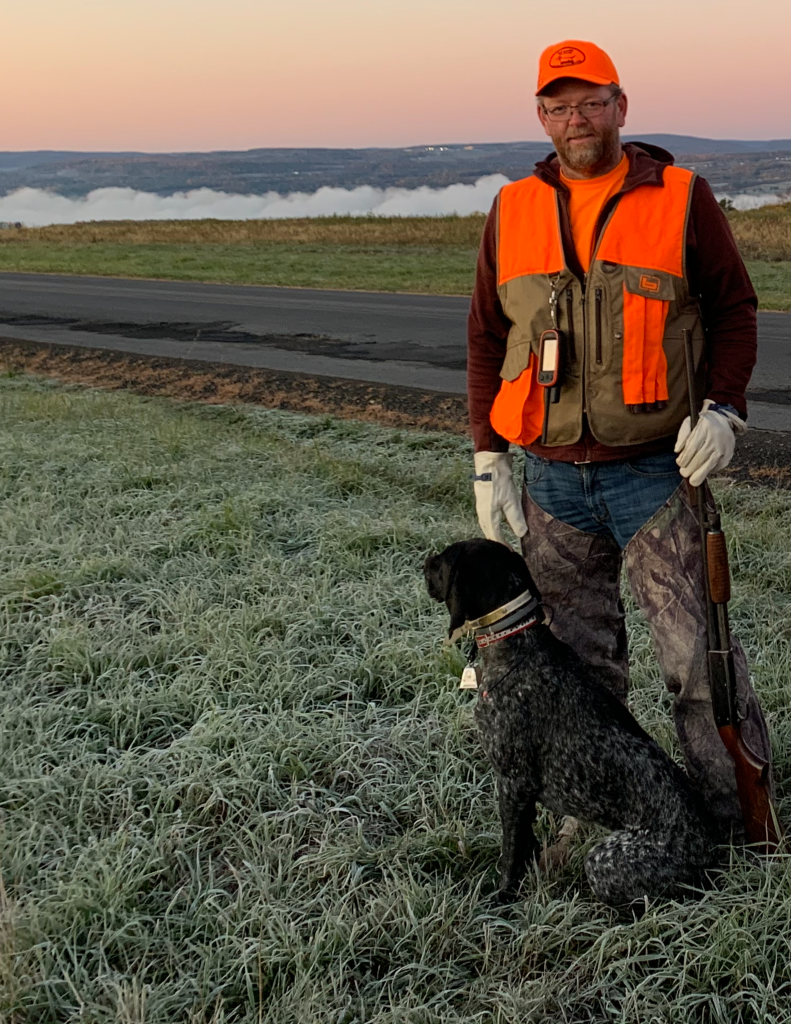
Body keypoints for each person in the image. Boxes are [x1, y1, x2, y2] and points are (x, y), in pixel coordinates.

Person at [468, 39, 772, 841]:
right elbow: (486, 336)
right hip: (551, 482)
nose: (577, 119)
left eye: (591, 102)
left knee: (697, 661)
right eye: (559, 105)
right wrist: (488, 453)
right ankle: (606, 820)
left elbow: (734, 310)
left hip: (654, 473)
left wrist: (724, 409)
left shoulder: (680, 196)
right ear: (541, 115)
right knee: (574, 668)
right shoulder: (511, 209)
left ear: (620, 106)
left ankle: (735, 825)